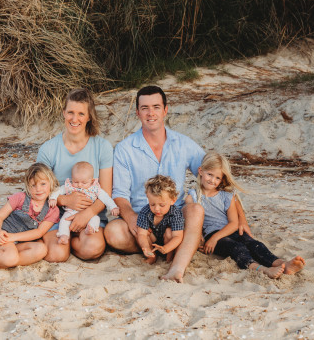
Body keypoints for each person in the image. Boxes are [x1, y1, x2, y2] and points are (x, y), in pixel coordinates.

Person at [105, 85, 252, 282]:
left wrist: (241, 218)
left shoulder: (183, 144)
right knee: (113, 233)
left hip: (176, 218)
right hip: (143, 218)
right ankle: (161, 247)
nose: (151, 113)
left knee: (196, 210)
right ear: (137, 112)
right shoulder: (124, 149)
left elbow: (216, 175)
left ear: (165, 110)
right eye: (145, 108)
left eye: (156, 107)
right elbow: (119, 193)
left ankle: (177, 268)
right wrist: (131, 218)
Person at [186, 151, 306, 278]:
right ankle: (262, 269)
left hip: (229, 230)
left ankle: (282, 264)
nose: (212, 180)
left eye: (217, 178)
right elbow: (190, 222)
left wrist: (216, 237)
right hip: (212, 236)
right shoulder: (193, 197)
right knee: (236, 248)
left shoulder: (226, 197)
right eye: (210, 174)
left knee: (254, 244)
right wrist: (206, 238)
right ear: (201, 171)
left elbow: (234, 223)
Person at [37, 88, 113, 261]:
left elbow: (106, 191)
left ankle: (73, 241)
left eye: (81, 114)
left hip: (91, 215)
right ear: (64, 113)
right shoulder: (48, 149)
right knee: (57, 254)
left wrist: (87, 214)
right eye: (70, 112)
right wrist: (64, 200)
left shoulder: (103, 147)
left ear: (89, 116)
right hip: (56, 215)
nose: (74, 119)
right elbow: (38, 190)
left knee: (92, 249)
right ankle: (62, 241)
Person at [49, 161, 120, 245]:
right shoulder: (69, 186)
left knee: (96, 219)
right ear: (72, 178)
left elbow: (106, 198)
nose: (79, 185)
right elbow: (57, 191)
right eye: (76, 181)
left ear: (92, 180)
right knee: (64, 220)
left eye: (84, 182)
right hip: (71, 212)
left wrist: (113, 207)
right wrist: (53, 198)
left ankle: (90, 228)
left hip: (88, 213)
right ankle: (64, 235)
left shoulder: (95, 188)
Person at [136, 175, 184, 264]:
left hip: (168, 242)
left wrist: (166, 248)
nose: (157, 209)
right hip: (153, 239)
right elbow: (141, 234)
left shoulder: (175, 213)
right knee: (144, 232)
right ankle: (151, 256)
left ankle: (169, 258)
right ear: (148, 197)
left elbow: (178, 237)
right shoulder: (145, 212)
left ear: (173, 200)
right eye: (152, 204)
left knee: (169, 232)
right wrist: (146, 247)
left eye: (162, 205)